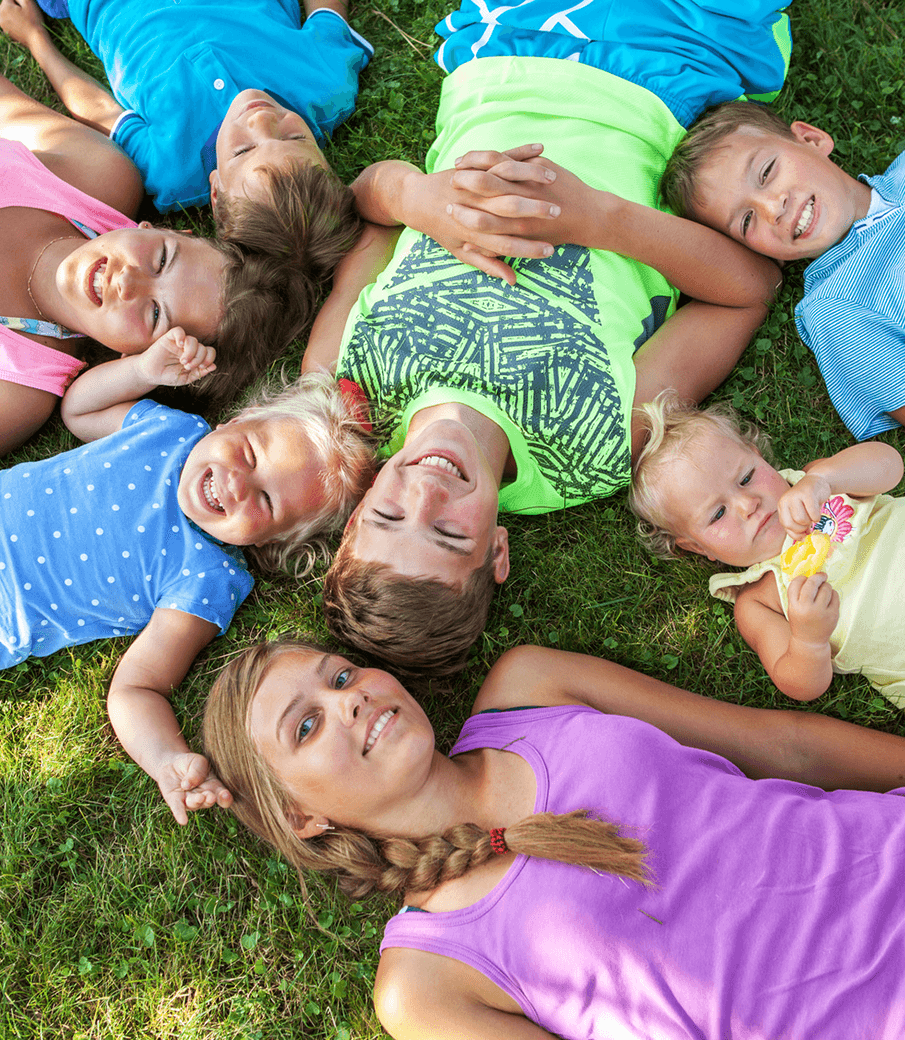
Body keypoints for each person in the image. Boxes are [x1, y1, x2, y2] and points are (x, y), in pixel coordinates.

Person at [312, 0, 789, 677]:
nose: (427, 494)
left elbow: (367, 201)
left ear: (356, 514)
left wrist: (418, 201)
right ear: (497, 551)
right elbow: (747, 289)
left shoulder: (348, 388)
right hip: (654, 77)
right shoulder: (590, 445)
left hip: (497, 51)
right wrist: (600, 218)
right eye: (449, 534)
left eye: (388, 517)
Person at [203, 636, 905, 1040]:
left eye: (342, 675)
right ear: (301, 817)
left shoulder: (529, 686)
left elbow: (782, 747)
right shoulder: (425, 982)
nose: (347, 699)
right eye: (307, 725)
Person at [0, 331, 374, 821]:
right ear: (234, 422)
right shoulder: (171, 431)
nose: (235, 484)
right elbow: (78, 411)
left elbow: (137, 688)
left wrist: (166, 758)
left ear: (272, 543)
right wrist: (142, 370)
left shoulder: (208, 577)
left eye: (266, 501)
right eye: (250, 454)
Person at [0, 63, 303, 462]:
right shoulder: (98, 178)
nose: (128, 283)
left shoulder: (12, 392)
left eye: (155, 314)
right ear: (159, 230)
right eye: (161, 258)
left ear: (132, 356)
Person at [629, 392, 905, 705]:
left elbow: (890, 465)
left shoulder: (820, 483)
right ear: (696, 546)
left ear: (756, 453)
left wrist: (825, 479)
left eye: (747, 477)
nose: (748, 505)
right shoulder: (757, 601)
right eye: (718, 514)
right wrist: (809, 639)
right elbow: (800, 685)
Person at [660, 99, 905, 442]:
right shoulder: (836, 312)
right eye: (746, 221)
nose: (773, 208)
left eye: (766, 172)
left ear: (811, 140)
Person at [0, 0, 373, 215]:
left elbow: (98, 108)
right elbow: (328, 15)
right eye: (296, 136)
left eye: (244, 150)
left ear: (216, 188)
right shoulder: (326, 85)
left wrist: (35, 37)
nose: (262, 119)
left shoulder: (169, 170)